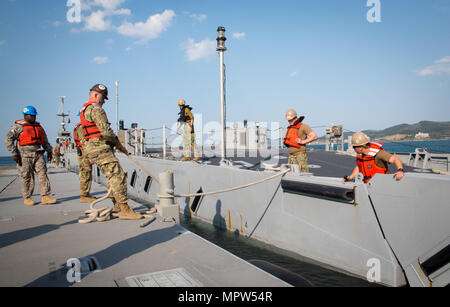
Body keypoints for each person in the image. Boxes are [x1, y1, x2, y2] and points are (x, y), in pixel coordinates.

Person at [79, 83, 142, 220]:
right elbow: (106, 132)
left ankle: (117, 206)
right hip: (100, 148)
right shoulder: (96, 110)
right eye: (102, 99)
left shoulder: (84, 110)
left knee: (110, 178)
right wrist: (119, 145)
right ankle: (124, 209)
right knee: (117, 176)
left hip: (93, 148)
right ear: (96, 95)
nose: (103, 103)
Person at [4, 106, 57, 206]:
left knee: (43, 174)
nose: (33, 118)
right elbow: (8, 139)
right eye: (31, 116)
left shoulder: (39, 127)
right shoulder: (18, 127)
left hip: (38, 154)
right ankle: (27, 197)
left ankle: (45, 196)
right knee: (27, 176)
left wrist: (49, 152)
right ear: (25, 115)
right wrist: (14, 153)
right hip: (24, 156)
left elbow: (45, 141)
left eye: (34, 116)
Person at [73, 122, 96, 203]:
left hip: (85, 153)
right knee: (85, 174)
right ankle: (83, 195)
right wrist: (90, 156)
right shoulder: (81, 128)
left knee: (88, 173)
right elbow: (84, 143)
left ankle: (86, 194)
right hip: (84, 154)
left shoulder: (84, 127)